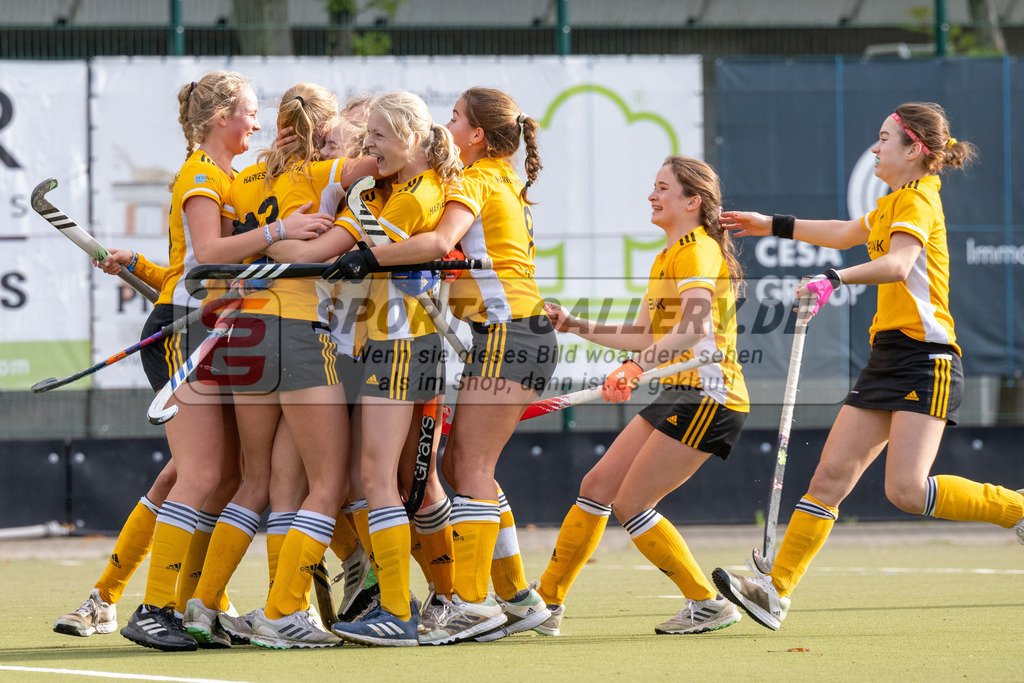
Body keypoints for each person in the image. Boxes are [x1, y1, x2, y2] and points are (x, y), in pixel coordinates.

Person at [711, 102, 1024, 631]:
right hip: (888, 359)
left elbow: (898, 265)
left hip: (929, 361)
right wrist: (771, 225)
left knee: (905, 490)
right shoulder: (892, 202)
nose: (875, 148)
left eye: (884, 139)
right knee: (830, 476)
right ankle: (775, 591)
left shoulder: (921, 201)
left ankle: (1017, 510)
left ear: (915, 150)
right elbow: (845, 231)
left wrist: (833, 280)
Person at [333, 87, 557, 644]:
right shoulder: (505, 179)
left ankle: (473, 604)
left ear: (478, 135)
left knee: (472, 469)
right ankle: (516, 598)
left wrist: (365, 256)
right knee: (464, 466)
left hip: (510, 334)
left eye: (455, 118)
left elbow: (436, 240)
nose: (447, 125)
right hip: (513, 332)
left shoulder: (477, 180)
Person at [119, 71, 332, 652]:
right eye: (251, 113)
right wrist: (281, 229)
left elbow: (198, 262)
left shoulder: (226, 176)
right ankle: (154, 607)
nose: (258, 123)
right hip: (181, 336)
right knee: (203, 474)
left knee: (227, 477)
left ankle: (197, 608)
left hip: (209, 330)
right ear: (221, 118)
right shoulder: (201, 174)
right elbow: (209, 255)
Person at [533, 155, 749, 636]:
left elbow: (693, 329)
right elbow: (643, 334)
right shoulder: (666, 256)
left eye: (663, 188)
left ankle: (707, 603)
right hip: (680, 390)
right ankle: (546, 603)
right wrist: (576, 326)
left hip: (710, 396)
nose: (652, 196)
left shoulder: (698, 251)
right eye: (653, 187)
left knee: (631, 504)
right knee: (596, 487)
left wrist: (635, 367)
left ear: (692, 201)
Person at [323, 89, 463, 647]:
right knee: (397, 480)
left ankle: (400, 610)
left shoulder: (411, 198)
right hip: (399, 343)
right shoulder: (405, 190)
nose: (370, 146)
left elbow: (351, 254)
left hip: (401, 345)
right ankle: (432, 600)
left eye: (378, 136)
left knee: (378, 478)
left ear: (409, 136)